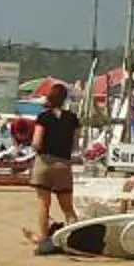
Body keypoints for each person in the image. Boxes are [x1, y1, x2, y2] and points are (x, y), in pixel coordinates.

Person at [31, 81, 82, 251]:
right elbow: (75, 145)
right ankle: (75, 239)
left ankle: (44, 239)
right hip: (63, 164)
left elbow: (37, 142)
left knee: (43, 203)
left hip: (45, 162)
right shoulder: (73, 119)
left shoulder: (43, 117)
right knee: (67, 207)